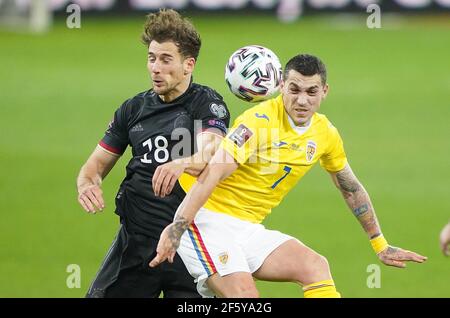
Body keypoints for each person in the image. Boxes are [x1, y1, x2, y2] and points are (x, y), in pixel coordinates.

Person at [149, 54, 427, 298]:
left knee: (315, 267)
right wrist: (177, 228)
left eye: (311, 91)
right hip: (204, 222)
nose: (302, 100)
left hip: (247, 228)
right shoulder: (257, 122)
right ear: (282, 86)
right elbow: (211, 175)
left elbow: (351, 188)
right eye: (294, 89)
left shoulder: (325, 133)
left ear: (324, 91)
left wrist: (380, 244)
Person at [76, 9, 230, 298]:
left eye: (165, 59)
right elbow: (94, 166)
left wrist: (182, 164)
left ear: (188, 64)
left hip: (189, 243)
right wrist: (87, 184)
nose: (155, 68)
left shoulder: (206, 105)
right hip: (137, 243)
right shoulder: (132, 109)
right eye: (151, 58)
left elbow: (212, 151)